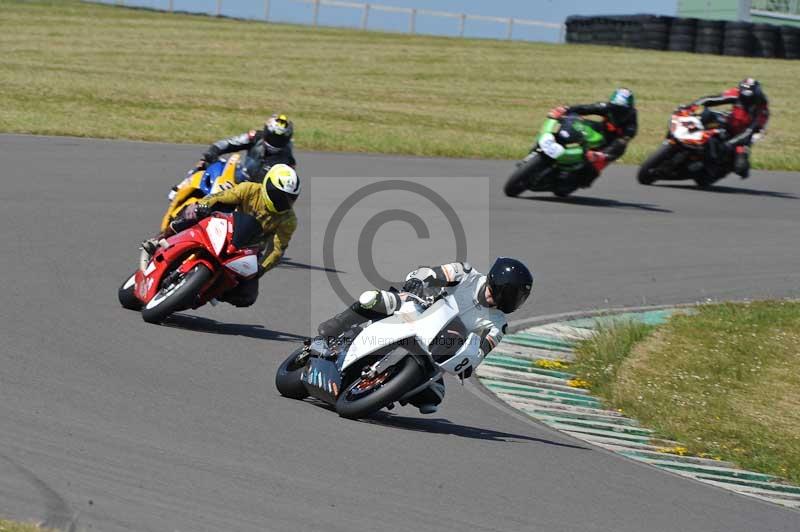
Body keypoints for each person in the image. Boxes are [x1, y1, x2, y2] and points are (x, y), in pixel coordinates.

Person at [317, 258, 533, 414]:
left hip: (439, 349)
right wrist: (420, 280)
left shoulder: (499, 324)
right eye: (512, 294)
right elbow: (432, 273)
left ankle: (386, 386)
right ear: (497, 283)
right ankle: (341, 322)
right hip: (418, 309)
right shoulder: (466, 274)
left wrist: (470, 364)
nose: (513, 301)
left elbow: (483, 350)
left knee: (432, 399)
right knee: (373, 299)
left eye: (518, 298)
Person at [144, 164, 300, 307]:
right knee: (194, 212)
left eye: (288, 199)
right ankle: (160, 239)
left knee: (248, 296)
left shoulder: (289, 220)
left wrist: (261, 269)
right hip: (225, 227)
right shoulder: (249, 189)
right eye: (278, 195)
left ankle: (211, 291)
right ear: (267, 184)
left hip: (248, 250)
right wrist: (205, 205)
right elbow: (220, 197)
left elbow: (277, 250)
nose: (283, 202)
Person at [169, 114, 297, 200]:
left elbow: (286, 188)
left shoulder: (287, 158)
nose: (275, 141)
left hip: (258, 193)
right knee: (205, 163)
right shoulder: (255, 137)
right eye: (272, 136)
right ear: (265, 132)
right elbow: (230, 143)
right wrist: (213, 152)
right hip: (239, 177)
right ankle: (180, 189)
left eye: (280, 139)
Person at [548, 88, 638, 190]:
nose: (617, 112)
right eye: (614, 108)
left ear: (630, 110)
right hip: (601, 130)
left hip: (611, 145)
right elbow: (586, 108)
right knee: (576, 122)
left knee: (595, 166)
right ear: (611, 104)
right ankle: (560, 142)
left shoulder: (631, 125)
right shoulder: (606, 107)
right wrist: (566, 109)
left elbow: (620, 143)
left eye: (622, 110)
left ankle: (577, 180)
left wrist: (602, 155)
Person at [681, 78, 769, 178]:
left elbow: (750, 131)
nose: (746, 100)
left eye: (749, 98)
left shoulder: (762, 108)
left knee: (740, 166)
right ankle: (687, 141)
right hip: (729, 122)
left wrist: (730, 143)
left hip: (743, 136)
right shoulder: (736, 93)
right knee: (705, 115)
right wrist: (691, 106)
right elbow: (711, 100)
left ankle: (715, 168)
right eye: (744, 97)